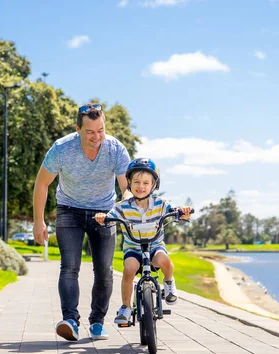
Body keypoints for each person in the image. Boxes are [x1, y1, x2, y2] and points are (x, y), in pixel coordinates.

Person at [33, 103, 131, 341]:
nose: (96, 137)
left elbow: (127, 188)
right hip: (69, 210)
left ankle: (97, 322)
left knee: (104, 270)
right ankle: (70, 320)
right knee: (70, 266)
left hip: (104, 212)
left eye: (101, 130)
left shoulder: (115, 149)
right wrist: (39, 221)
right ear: (78, 129)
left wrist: (124, 209)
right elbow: (42, 183)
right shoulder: (62, 149)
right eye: (90, 132)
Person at [94, 158, 192, 325]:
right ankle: (126, 307)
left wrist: (182, 212)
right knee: (129, 269)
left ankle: (168, 283)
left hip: (155, 246)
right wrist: (103, 218)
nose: (141, 186)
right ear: (129, 183)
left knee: (164, 261)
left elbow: (175, 211)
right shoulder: (122, 206)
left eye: (146, 182)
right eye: (136, 182)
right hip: (133, 248)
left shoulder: (160, 204)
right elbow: (110, 216)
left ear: (154, 185)